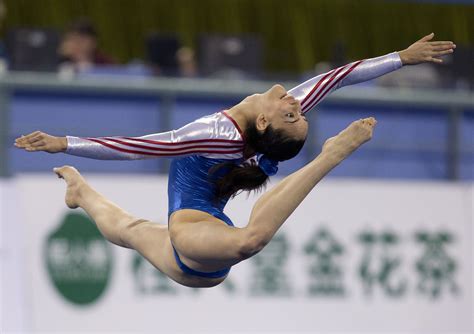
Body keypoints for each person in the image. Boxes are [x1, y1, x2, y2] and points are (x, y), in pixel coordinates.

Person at [15, 34, 454, 288]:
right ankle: (79, 190)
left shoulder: (215, 135)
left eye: (293, 114)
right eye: (298, 112)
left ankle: (330, 157)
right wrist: (401, 58)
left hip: (194, 240)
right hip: (193, 247)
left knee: (250, 240)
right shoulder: (275, 112)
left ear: (264, 120)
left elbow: (138, 146)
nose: (296, 102)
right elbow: (335, 78)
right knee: (125, 229)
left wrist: (64, 141)